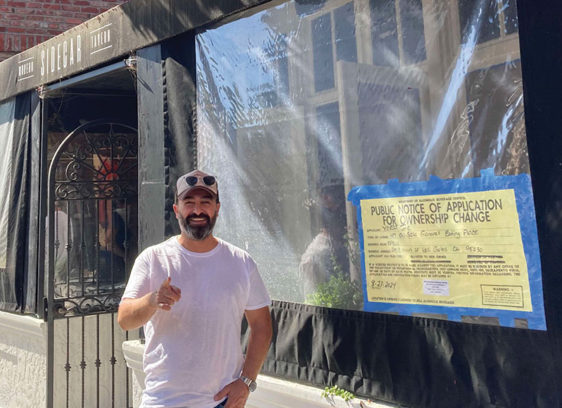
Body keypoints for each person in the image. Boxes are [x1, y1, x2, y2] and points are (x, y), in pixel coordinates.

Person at [118, 169, 273, 408]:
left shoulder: (241, 262)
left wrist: (246, 382)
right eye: (189, 202)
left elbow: (262, 327)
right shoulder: (153, 259)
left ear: (217, 208)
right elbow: (125, 320)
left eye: (205, 202)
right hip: (162, 402)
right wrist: (152, 300)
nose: (198, 211)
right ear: (176, 209)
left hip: (221, 402)